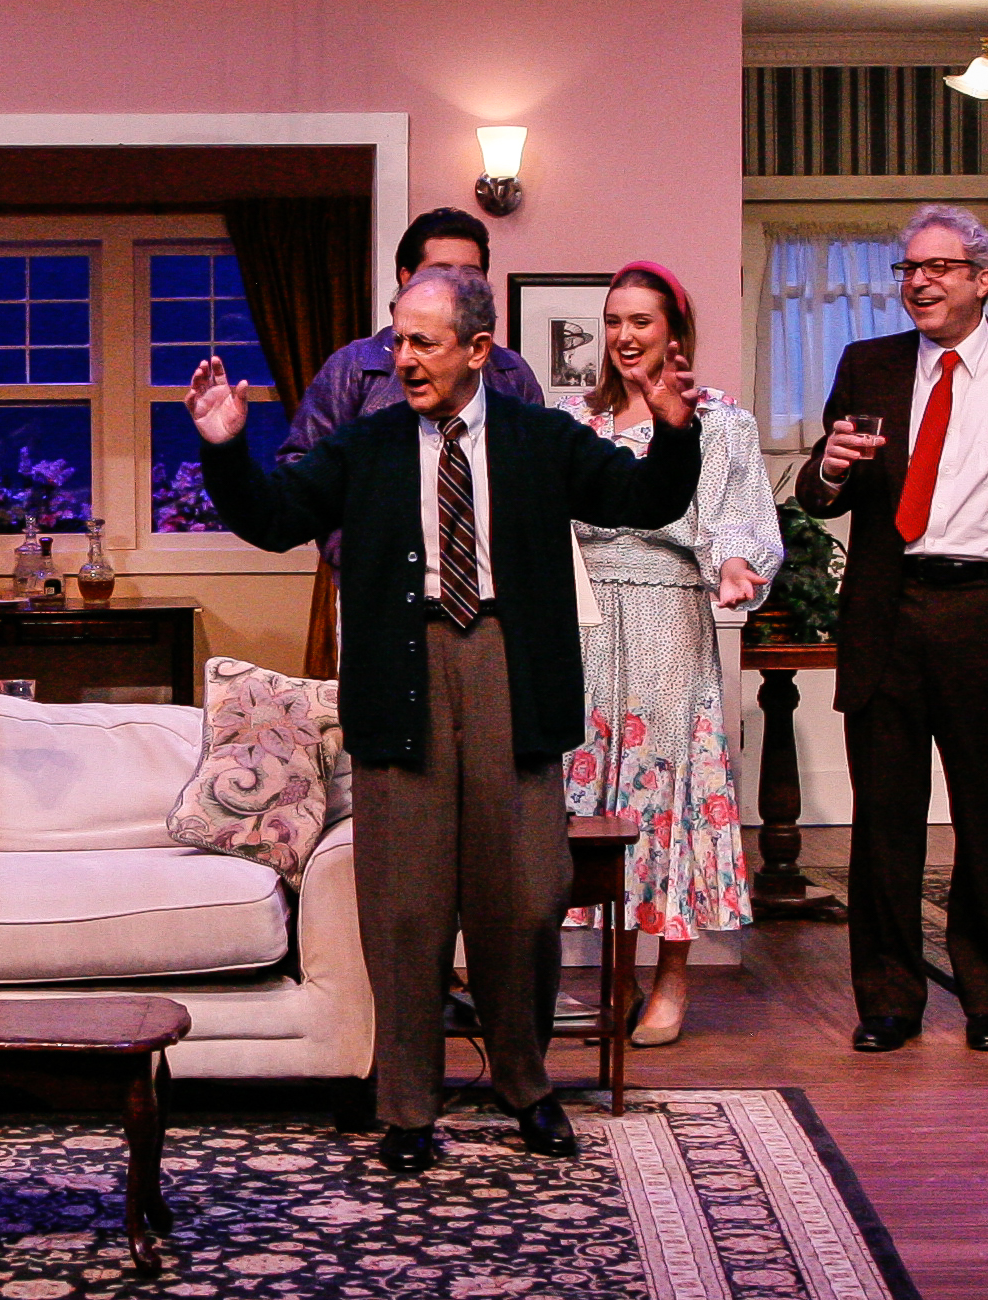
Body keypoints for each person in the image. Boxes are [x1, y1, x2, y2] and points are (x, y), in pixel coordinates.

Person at [185, 265, 703, 1171]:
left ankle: (525, 1086)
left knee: (526, 896)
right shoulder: (367, 444)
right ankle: (408, 1106)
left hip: (512, 666)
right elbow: (274, 518)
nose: (404, 358)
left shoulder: (541, 438)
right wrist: (226, 447)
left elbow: (645, 500)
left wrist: (674, 431)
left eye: (423, 342)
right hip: (403, 671)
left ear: (477, 348)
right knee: (405, 905)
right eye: (398, 339)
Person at [796, 205, 988, 1056]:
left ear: (982, 279)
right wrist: (827, 468)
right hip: (891, 607)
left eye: (939, 268)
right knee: (885, 815)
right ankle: (888, 999)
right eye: (909, 269)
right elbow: (820, 495)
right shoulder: (869, 363)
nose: (918, 282)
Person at [556, 262, 783, 1048]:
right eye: (614, 320)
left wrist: (735, 564)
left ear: (675, 331)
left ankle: (672, 976)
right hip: (584, 621)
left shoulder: (721, 422)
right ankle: (614, 974)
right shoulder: (575, 422)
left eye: (641, 321)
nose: (624, 335)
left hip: (668, 619)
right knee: (594, 797)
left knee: (666, 792)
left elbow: (736, 519)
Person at [275, 207, 541, 468]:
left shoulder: (512, 372)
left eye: (470, 274)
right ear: (406, 278)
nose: (458, 285)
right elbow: (300, 467)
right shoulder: (353, 367)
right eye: (441, 271)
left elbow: (541, 467)